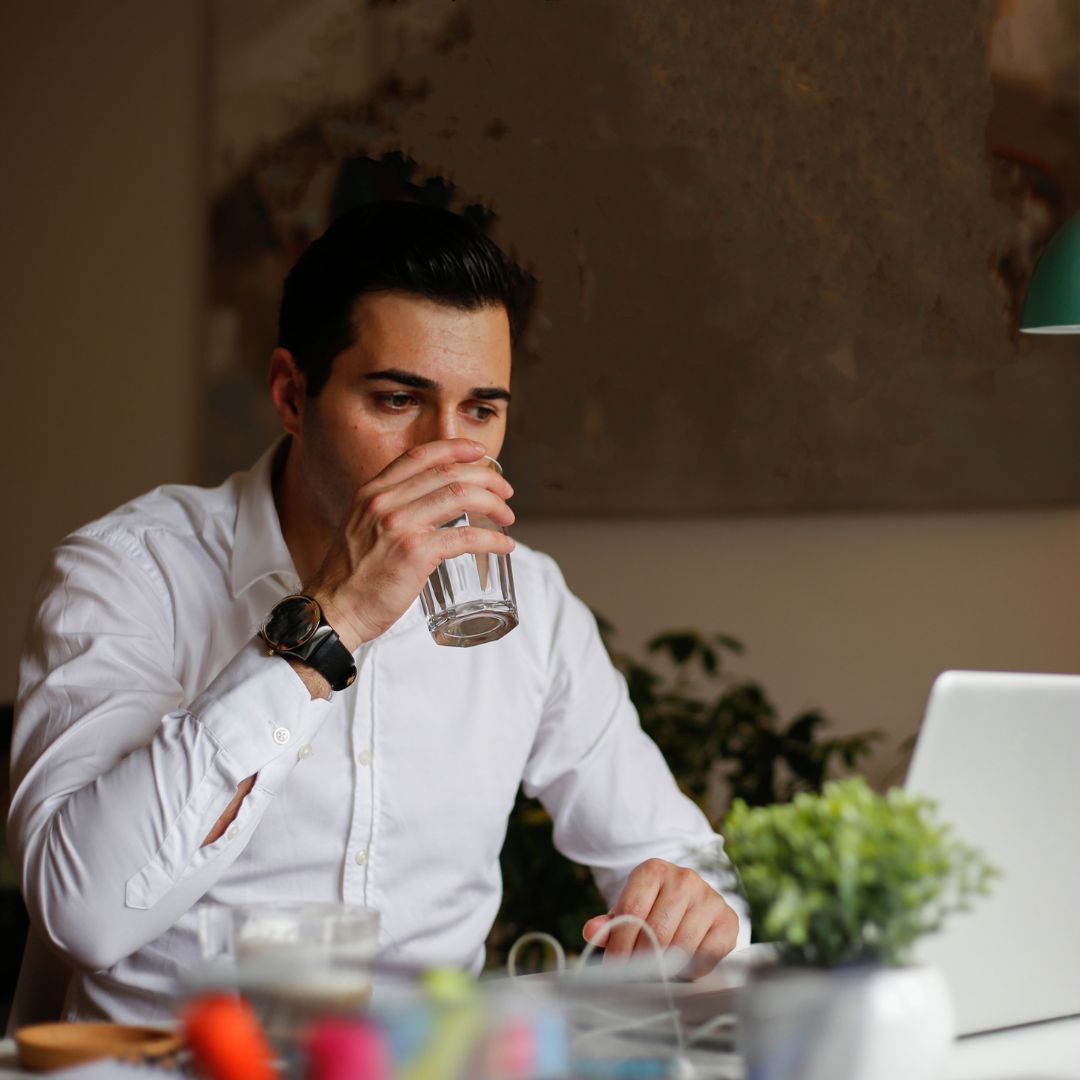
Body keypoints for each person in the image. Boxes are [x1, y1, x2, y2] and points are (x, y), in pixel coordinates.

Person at [8, 201, 748, 1025]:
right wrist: (329, 623)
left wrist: (695, 909)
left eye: (481, 410)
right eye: (399, 400)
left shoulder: (529, 602)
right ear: (293, 394)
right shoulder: (131, 571)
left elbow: (688, 873)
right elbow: (83, 914)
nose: (446, 453)